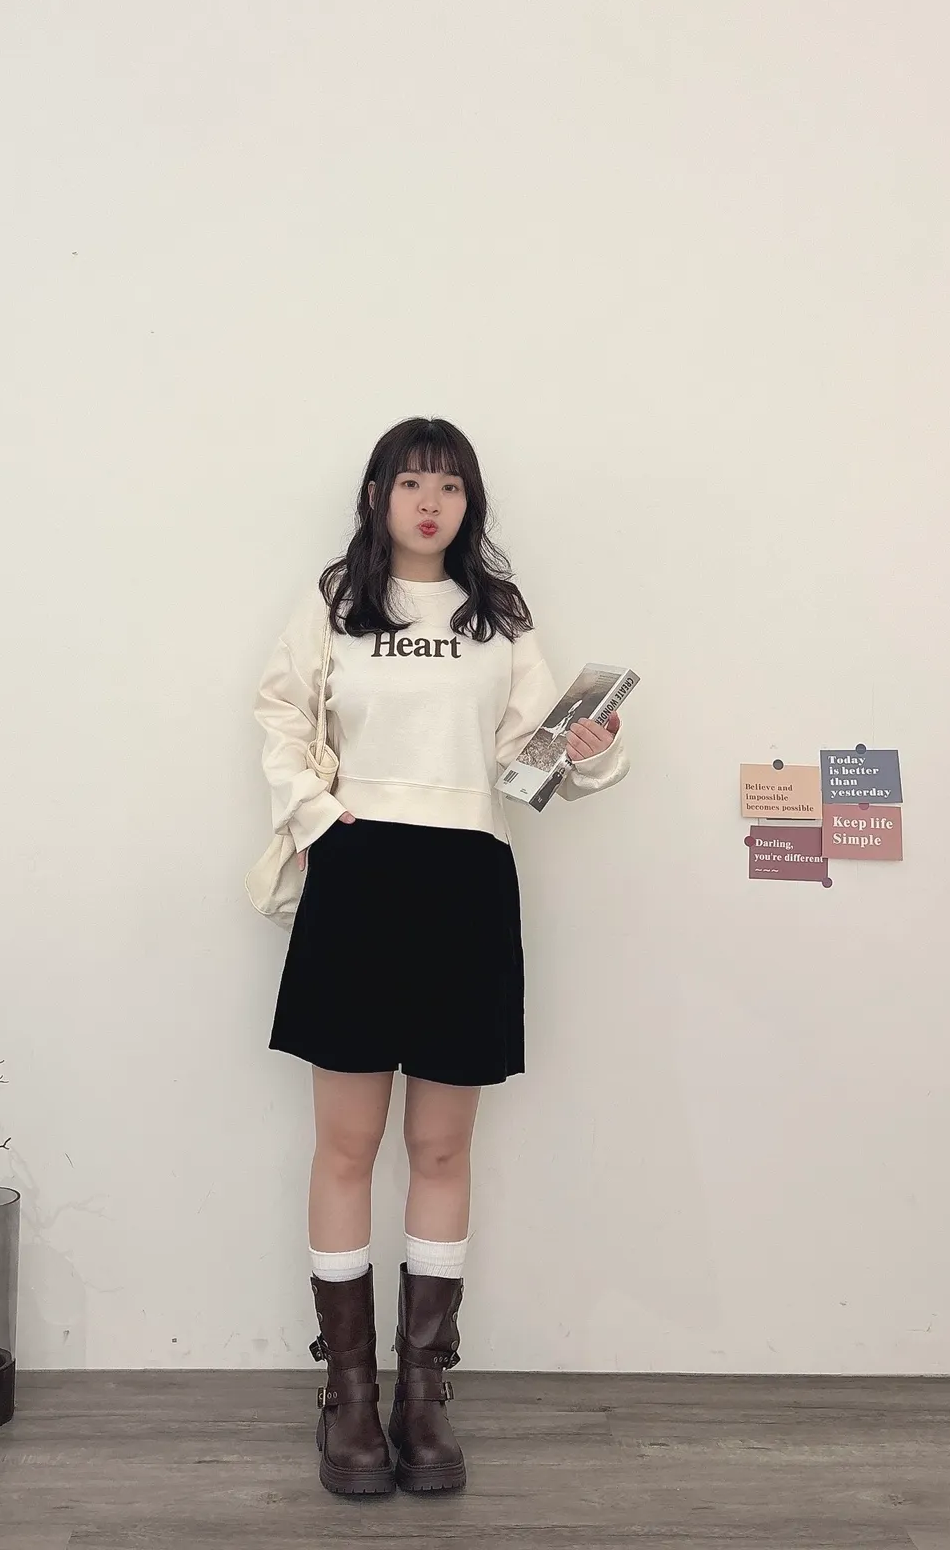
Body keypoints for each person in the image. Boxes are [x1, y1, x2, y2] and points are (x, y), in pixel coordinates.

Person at [252, 416, 631, 1498]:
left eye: (451, 485)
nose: (431, 502)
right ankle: (349, 1398)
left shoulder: (497, 616)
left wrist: (590, 752)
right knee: (346, 1145)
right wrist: (319, 818)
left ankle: (423, 1398)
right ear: (378, 494)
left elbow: (529, 757)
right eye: (412, 481)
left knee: (441, 1147)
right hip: (358, 873)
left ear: (470, 503)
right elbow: (280, 714)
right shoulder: (338, 601)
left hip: (467, 877)